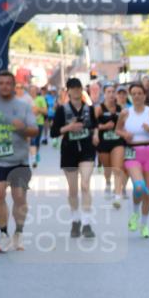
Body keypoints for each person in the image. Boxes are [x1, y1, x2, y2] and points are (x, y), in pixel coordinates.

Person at [0, 71, 37, 252]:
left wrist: (23, 129)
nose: (4, 86)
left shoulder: (23, 106)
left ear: (14, 85)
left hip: (19, 159)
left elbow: (34, 131)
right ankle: (4, 234)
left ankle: (18, 233)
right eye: (1, 83)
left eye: (8, 83)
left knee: (19, 198)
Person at [116, 82, 149, 238]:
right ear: (131, 96)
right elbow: (118, 129)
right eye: (134, 93)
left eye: (139, 93)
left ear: (144, 96)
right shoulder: (125, 113)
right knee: (139, 186)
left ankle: (144, 223)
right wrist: (125, 135)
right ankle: (135, 213)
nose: (137, 96)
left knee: (148, 192)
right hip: (132, 153)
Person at [52, 77, 98, 238]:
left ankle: (86, 223)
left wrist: (96, 135)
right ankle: (75, 219)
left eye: (78, 88)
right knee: (73, 189)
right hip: (69, 151)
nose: (76, 91)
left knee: (85, 185)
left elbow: (95, 126)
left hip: (86, 150)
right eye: (73, 88)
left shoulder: (89, 109)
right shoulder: (62, 110)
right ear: (68, 91)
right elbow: (53, 132)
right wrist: (69, 127)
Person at [94, 84, 127, 209]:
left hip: (117, 141)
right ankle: (108, 182)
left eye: (114, 92)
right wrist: (103, 127)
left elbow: (125, 125)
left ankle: (117, 196)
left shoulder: (121, 109)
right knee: (108, 168)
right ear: (104, 94)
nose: (112, 94)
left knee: (117, 169)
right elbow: (92, 125)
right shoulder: (99, 109)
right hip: (103, 142)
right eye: (109, 92)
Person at [30, 85, 48, 168]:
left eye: (34, 91)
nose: (33, 92)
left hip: (39, 123)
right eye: (31, 91)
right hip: (29, 124)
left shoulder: (41, 99)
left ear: (37, 91)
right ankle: (33, 158)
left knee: (37, 141)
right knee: (32, 141)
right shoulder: (27, 99)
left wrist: (38, 109)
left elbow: (45, 111)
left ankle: (36, 153)